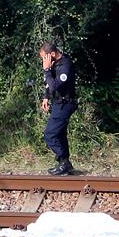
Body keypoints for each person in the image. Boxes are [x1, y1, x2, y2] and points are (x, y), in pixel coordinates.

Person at [39, 42, 77, 176]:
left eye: (45, 57)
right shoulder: (56, 65)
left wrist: (46, 70)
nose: (44, 61)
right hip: (57, 103)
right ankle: (64, 164)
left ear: (52, 54)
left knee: (50, 134)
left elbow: (55, 85)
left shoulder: (65, 66)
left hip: (65, 104)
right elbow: (49, 85)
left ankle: (64, 163)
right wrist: (46, 97)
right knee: (60, 135)